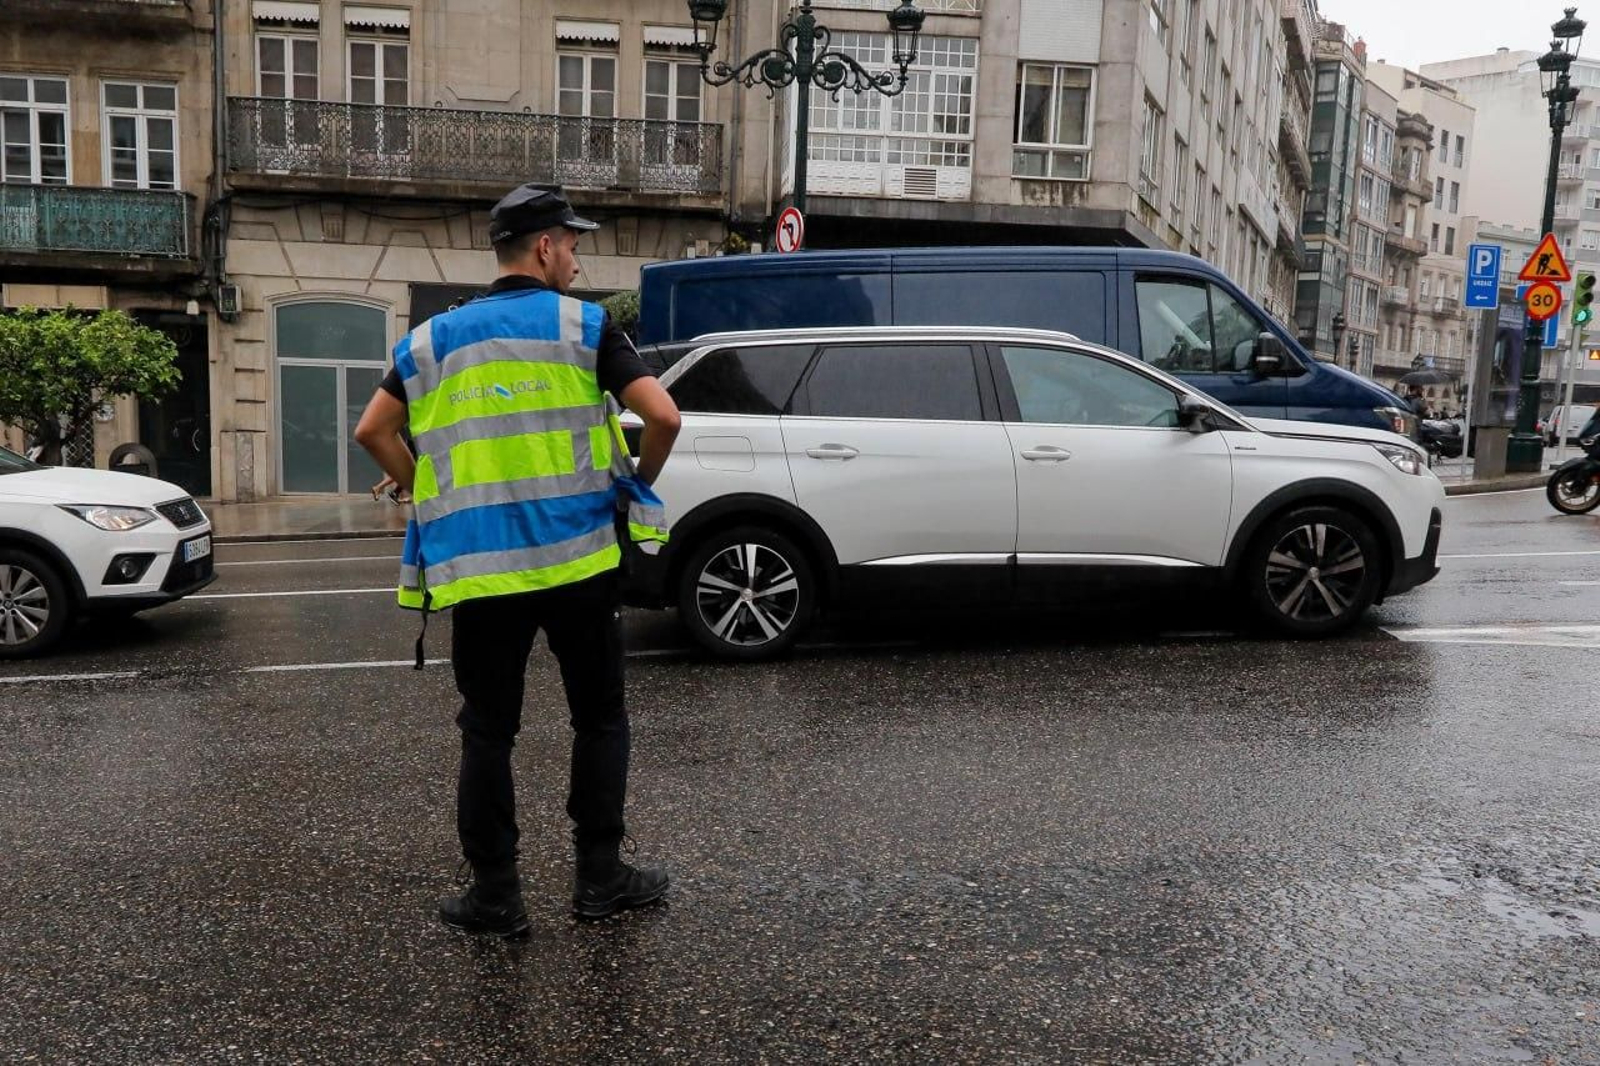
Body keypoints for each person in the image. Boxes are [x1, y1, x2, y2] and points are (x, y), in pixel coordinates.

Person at [354, 186, 682, 936]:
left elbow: (373, 430)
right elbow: (663, 416)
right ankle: (599, 879)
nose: (577, 257)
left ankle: (496, 897)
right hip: (579, 562)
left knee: (488, 730)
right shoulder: (587, 326)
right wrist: (633, 491)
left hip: (484, 571)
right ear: (544, 247)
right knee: (598, 719)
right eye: (573, 244)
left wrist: (424, 489)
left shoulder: (431, 341)